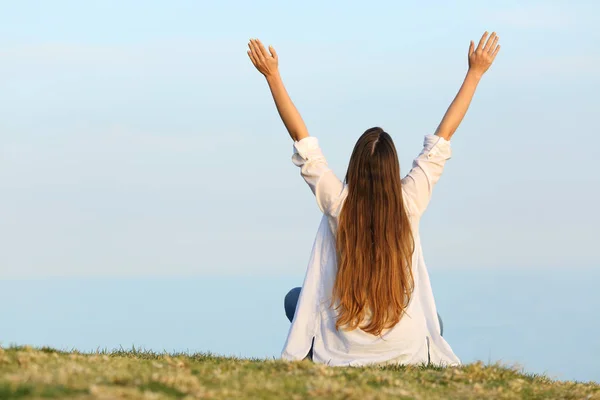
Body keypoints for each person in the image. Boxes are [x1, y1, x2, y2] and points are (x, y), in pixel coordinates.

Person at [247, 32, 500, 367]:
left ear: (355, 165)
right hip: (404, 349)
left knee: (296, 301)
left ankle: (314, 352)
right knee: (433, 322)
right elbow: (443, 137)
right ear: (391, 167)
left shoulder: (338, 203)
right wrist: (475, 73)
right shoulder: (409, 202)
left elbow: (301, 139)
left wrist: (273, 76)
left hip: (342, 348)